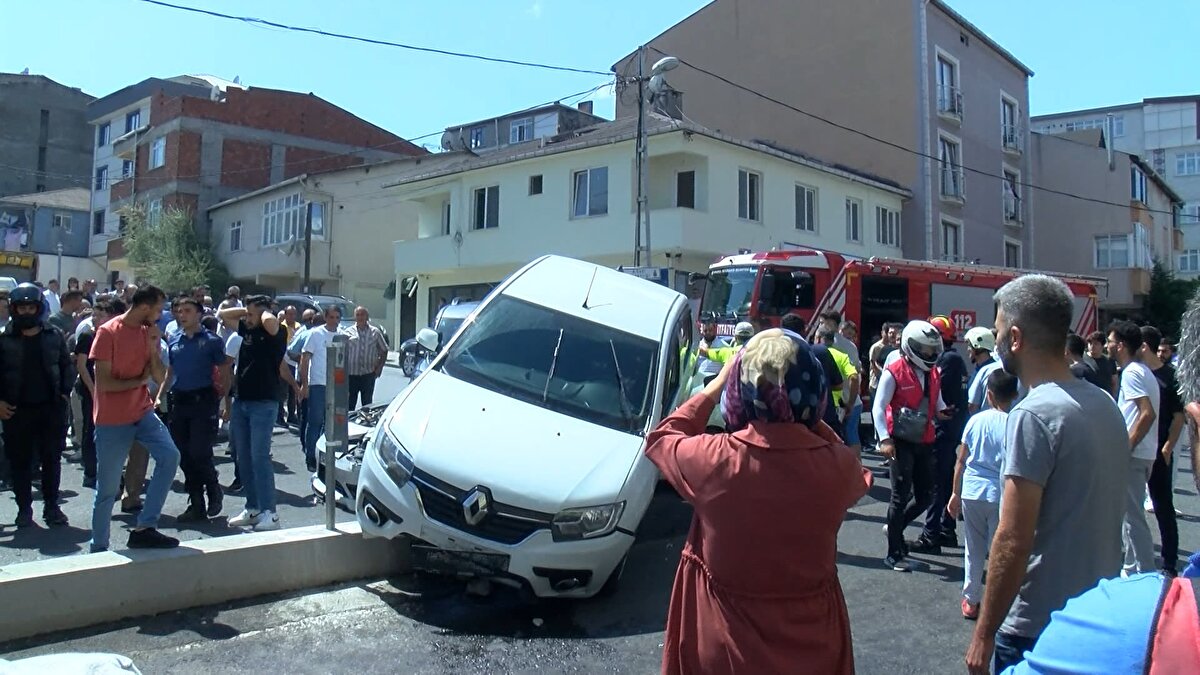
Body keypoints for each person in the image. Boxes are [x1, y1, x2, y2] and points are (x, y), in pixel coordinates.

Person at [644, 329, 872, 674]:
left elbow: (662, 438)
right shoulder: (836, 466)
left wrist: (716, 384)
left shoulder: (715, 459)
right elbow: (847, 460)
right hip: (814, 646)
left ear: (740, 391)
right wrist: (807, 420)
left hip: (725, 646)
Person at [965, 275, 1129, 675]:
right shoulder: (1104, 403)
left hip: (1037, 625)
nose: (997, 338)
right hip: (1095, 611)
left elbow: (1012, 538)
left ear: (1016, 338)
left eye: (1000, 329)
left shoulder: (1032, 414)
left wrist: (984, 634)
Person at [88, 285, 181, 552]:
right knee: (107, 489)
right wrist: (140, 380)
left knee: (169, 456)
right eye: (159, 308)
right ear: (144, 308)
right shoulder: (108, 333)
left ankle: (145, 528)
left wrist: (153, 347)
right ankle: (99, 547)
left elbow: (161, 377)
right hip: (112, 419)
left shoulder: (146, 333)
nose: (162, 314)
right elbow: (104, 383)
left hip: (142, 412)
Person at [874, 319, 950, 571]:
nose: (929, 354)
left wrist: (943, 411)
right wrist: (884, 438)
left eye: (932, 349)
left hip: (925, 439)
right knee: (899, 495)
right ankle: (894, 553)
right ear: (910, 346)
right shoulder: (894, 369)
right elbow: (878, 405)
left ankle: (895, 527)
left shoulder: (933, 372)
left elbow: (937, 400)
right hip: (900, 441)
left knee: (926, 495)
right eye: (924, 349)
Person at [947, 369, 1018, 620]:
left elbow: (961, 461)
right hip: (999, 492)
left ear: (989, 394)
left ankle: (971, 598)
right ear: (1015, 395)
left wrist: (955, 493)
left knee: (973, 548)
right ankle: (999, 600)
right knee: (999, 550)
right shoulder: (1014, 424)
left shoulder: (975, 421)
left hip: (972, 490)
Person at [0, 283, 73, 527]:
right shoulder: (3, 340)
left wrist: (63, 394)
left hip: (50, 409)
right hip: (15, 412)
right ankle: (24, 510)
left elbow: (66, 367)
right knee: (19, 463)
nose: (27, 312)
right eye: (22, 308)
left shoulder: (54, 336)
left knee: (51, 461)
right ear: (14, 309)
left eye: (31, 307)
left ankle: (52, 507)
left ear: (38, 308)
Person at [155, 297, 232, 522]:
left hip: (204, 399)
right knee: (183, 454)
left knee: (200, 450)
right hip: (180, 400)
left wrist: (226, 403)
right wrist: (160, 395)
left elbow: (225, 372)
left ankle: (213, 487)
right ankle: (196, 503)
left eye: (187, 311)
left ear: (198, 314)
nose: (182, 315)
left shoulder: (212, 341)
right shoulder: (174, 339)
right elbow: (170, 371)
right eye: (179, 311)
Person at [223, 296, 292, 531]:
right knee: (243, 456)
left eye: (252, 315)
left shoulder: (277, 333)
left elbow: (271, 323)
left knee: (260, 457)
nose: (246, 319)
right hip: (242, 400)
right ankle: (252, 508)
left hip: (264, 403)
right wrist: (248, 309)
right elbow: (224, 316)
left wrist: (262, 312)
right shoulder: (248, 331)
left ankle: (270, 513)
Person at [1106, 320, 1160, 576]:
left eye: (1110, 340)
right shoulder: (1139, 371)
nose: (1107, 345)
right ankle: (1130, 570)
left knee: (1133, 518)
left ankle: (1146, 574)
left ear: (1122, 345)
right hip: (1141, 453)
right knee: (1129, 516)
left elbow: (1146, 414)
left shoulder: (1132, 373)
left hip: (1134, 454)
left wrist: (1125, 447)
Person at [1138, 325, 1184, 575]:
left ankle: (1169, 563)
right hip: (1138, 449)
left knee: (1163, 506)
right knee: (1132, 508)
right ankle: (1137, 561)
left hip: (1159, 450)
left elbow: (1179, 418)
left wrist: (1168, 448)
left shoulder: (1170, 375)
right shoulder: (1136, 373)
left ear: (1145, 346)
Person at [74, 298, 124, 490]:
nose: (95, 318)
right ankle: (90, 472)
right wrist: (93, 389)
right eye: (94, 315)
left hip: (111, 390)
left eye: (100, 315)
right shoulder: (87, 336)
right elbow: (82, 366)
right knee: (90, 430)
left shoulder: (114, 336)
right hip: (91, 390)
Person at [299, 305, 342, 473]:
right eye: (331, 317)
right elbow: (305, 360)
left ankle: (325, 456)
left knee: (331, 424)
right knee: (315, 422)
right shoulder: (315, 335)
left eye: (337, 317)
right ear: (326, 317)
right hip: (317, 384)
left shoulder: (341, 336)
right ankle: (311, 456)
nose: (334, 321)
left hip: (335, 386)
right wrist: (305, 384)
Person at [817, 325, 859, 446]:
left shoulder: (813, 352)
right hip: (840, 405)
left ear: (819, 338)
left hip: (821, 406)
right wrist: (850, 403)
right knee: (848, 438)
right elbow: (854, 377)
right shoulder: (842, 356)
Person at [345, 306, 388, 409]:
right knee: (350, 404)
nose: (360, 317)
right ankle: (350, 424)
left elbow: (384, 350)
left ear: (367, 317)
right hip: (351, 375)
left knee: (367, 404)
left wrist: (380, 367)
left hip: (368, 374)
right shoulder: (347, 332)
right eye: (358, 315)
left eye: (362, 314)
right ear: (355, 317)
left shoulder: (375, 332)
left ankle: (365, 423)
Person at [1087, 331, 1118, 397]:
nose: (1092, 346)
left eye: (1096, 343)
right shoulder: (1082, 359)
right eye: (1090, 343)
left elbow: (1114, 382)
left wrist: (1113, 397)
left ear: (1102, 345)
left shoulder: (1110, 361)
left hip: (1106, 398)